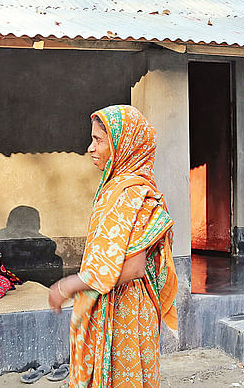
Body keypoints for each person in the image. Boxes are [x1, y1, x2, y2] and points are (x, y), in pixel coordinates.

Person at [48, 105, 178, 387]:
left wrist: (71, 285)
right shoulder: (114, 189)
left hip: (126, 309)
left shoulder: (133, 193)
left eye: (98, 140)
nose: (90, 148)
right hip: (113, 301)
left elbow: (134, 267)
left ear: (123, 144)